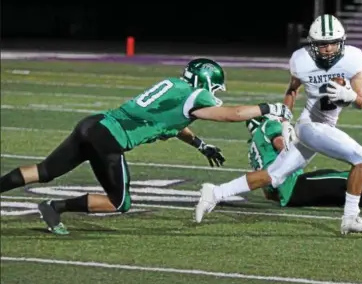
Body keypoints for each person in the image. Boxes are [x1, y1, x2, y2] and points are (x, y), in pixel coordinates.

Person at [0, 58, 293, 235]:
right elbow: (232, 114)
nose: (214, 93)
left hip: (93, 125)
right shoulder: (194, 96)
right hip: (109, 140)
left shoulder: (173, 88)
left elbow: (172, 125)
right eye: (213, 87)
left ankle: (45, 206)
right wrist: (270, 107)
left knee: (44, 171)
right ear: (205, 81)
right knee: (119, 203)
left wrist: (201, 145)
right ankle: (54, 206)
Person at [195, 14, 362, 235]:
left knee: (274, 175)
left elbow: (361, 102)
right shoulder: (302, 61)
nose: (328, 49)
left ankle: (215, 192)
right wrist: (285, 120)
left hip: (323, 127)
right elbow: (292, 90)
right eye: (322, 44)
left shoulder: (353, 58)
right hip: (310, 126)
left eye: (332, 43)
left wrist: (349, 96)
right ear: (312, 44)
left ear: (342, 42)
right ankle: (350, 217)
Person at [245, 116, 362, 212]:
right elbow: (280, 143)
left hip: (287, 193)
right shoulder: (268, 126)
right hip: (292, 186)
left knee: (343, 193)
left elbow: (268, 194)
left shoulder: (254, 149)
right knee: (345, 179)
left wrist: (283, 198)